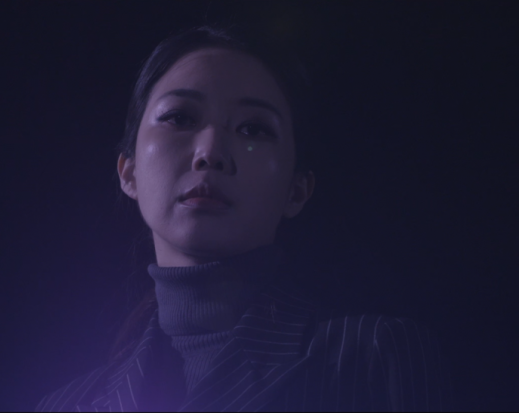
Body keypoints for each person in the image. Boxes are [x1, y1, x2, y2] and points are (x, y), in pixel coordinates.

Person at [35, 25, 452, 412]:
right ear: (128, 172)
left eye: (253, 129)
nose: (210, 152)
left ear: (297, 189)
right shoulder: (64, 405)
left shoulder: (374, 358)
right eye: (180, 118)